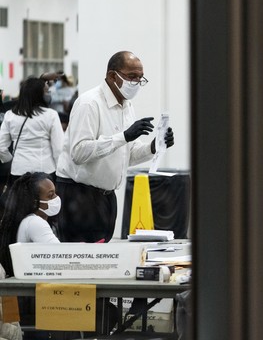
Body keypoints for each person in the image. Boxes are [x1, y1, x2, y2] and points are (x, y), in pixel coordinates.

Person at [55, 51, 175, 243]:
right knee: (81, 263)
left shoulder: (126, 106)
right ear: (112, 76)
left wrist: (154, 146)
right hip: (79, 195)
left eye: (140, 78)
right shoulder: (90, 103)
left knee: (102, 261)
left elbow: (126, 155)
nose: (136, 82)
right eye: (131, 76)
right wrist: (124, 136)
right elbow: (78, 153)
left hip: (106, 197)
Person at [0, 77, 64, 189]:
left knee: (21, 204)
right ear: (38, 94)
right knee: (44, 205)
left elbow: (1, 147)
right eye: (46, 91)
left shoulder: (10, 115)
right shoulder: (51, 115)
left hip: (18, 170)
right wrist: (60, 172)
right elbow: (59, 149)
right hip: (45, 170)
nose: (49, 94)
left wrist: (12, 161)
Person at [0, 172, 60, 277]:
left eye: (55, 193)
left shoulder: (27, 220)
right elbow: (61, 256)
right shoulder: (35, 222)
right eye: (50, 195)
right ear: (34, 202)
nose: (56, 198)